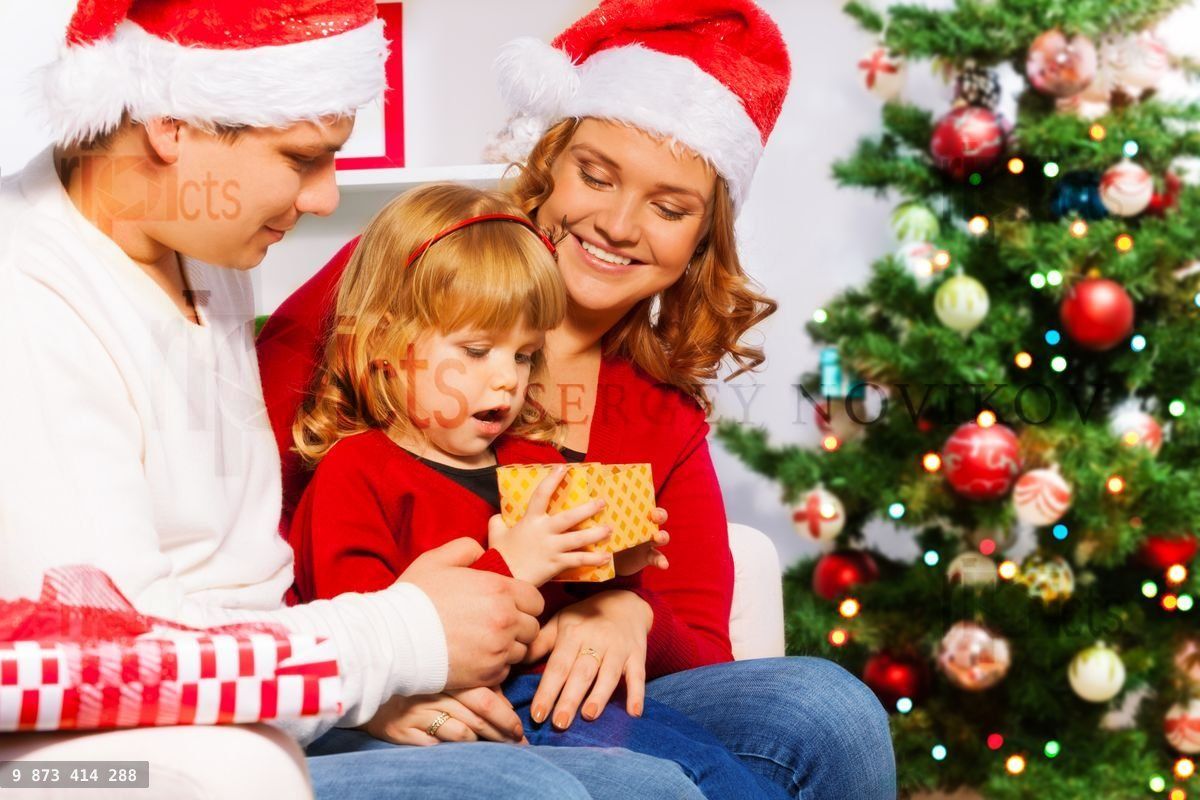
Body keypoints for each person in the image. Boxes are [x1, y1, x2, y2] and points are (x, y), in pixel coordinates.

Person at [0, 1, 648, 797]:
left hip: (302, 691)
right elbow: (115, 654)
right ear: (170, 124)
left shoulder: (202, 248)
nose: (322, 197)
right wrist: (393, 651)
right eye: (305, 158)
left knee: (807, 711)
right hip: (169, 751)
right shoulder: (25, 303)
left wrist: (615, 596)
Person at [257, 1, 898, 797]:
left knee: (825, 707)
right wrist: (375, 680)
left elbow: (685, 630)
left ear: (702, 240)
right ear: (548, 161)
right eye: (595, 175)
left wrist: (627, 611)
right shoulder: (417, 276)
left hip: (561, 693)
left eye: (669, 209)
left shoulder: (652, 415)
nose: (618, 224)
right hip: (355, 683)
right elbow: (221, 513)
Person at [286, 181, 791, 799]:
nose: (506, 380)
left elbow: (577, 603)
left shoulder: (534, 462)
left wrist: (618, 571)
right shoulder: (355, 475)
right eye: (474, 351)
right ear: (383, 347)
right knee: (671, 781)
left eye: (525, 356)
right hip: (471, 718)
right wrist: (514, 566)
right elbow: (370, 645)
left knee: (718, 772)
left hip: (560, 692)